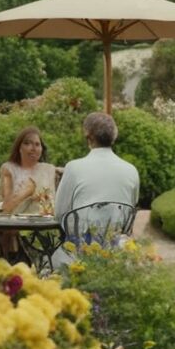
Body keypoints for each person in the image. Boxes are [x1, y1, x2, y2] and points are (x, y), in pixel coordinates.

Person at [53, 113, 139, 266]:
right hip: (116, 252)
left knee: (48, 256)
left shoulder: (74, 168)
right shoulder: (131, 170)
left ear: (88, 136)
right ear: (114, 137)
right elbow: (129, 213)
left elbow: (60, 213)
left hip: (78, 254)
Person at [0, 126, 58, 215]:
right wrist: (27, 192)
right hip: (17, 224)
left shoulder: (48, 169)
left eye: (37, 144)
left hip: (45, 224)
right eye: (27, 143)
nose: (33, 148)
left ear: (42, 149)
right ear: (19, 148)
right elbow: (6, 208)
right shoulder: (9, 169)